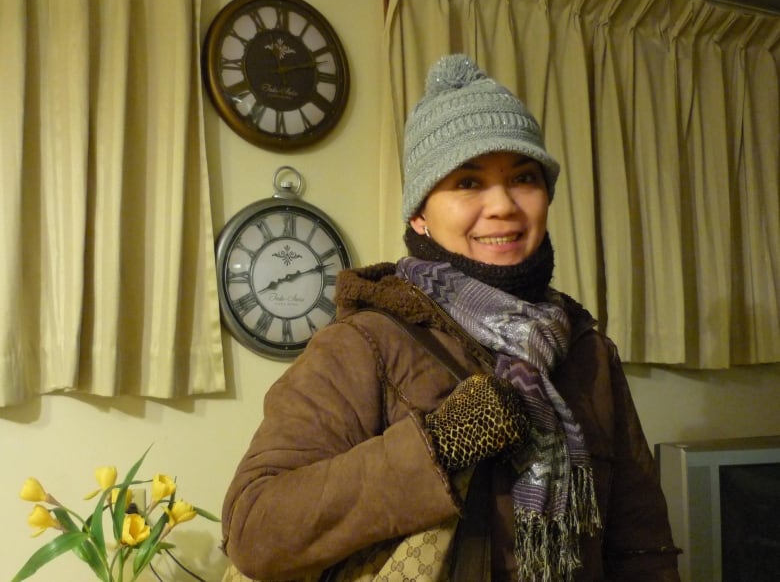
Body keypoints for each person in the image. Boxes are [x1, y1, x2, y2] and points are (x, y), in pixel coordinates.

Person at [221, 54, 681, 582]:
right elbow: (254, 530)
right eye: (467, 182)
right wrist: (438, 444)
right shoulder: (366, 341)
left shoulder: (587, 352)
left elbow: (641, 546)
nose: (503, 205)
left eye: (524, 177)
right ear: (419, 212)